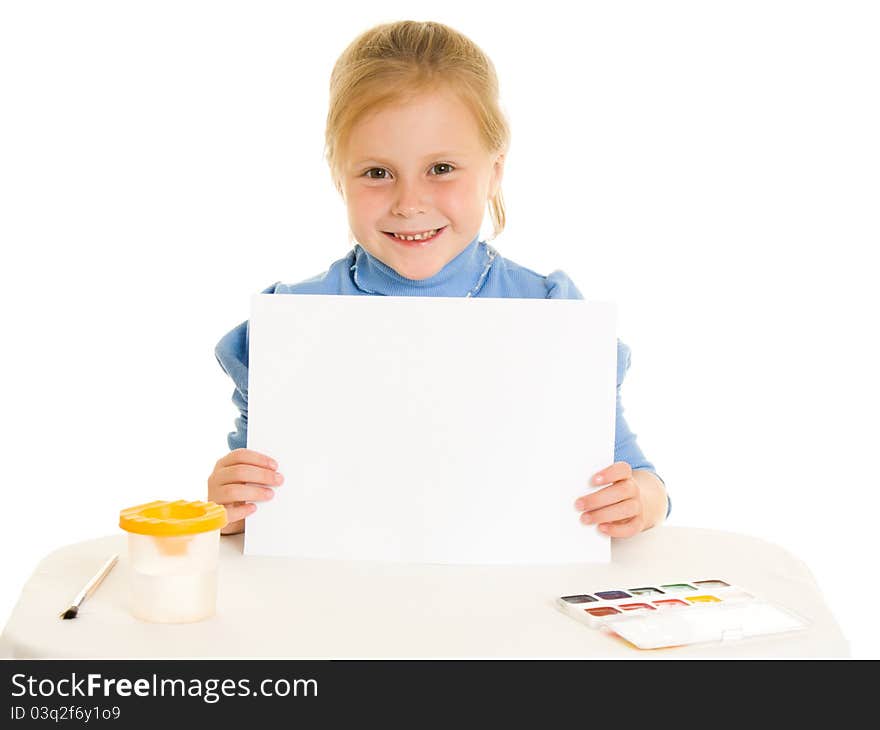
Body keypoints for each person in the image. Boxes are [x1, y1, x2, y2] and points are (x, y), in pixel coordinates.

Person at [209, 20, 669, 539]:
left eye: (442, 168)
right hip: (341, 600)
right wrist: (225, 506)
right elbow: (247, 505)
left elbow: (638, 475)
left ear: (494, 170)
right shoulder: (295, 321)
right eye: (377, 173)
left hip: (509, 599)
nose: (410, 204)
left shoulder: (551, 314)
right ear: (338, 175)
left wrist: (640, 501)